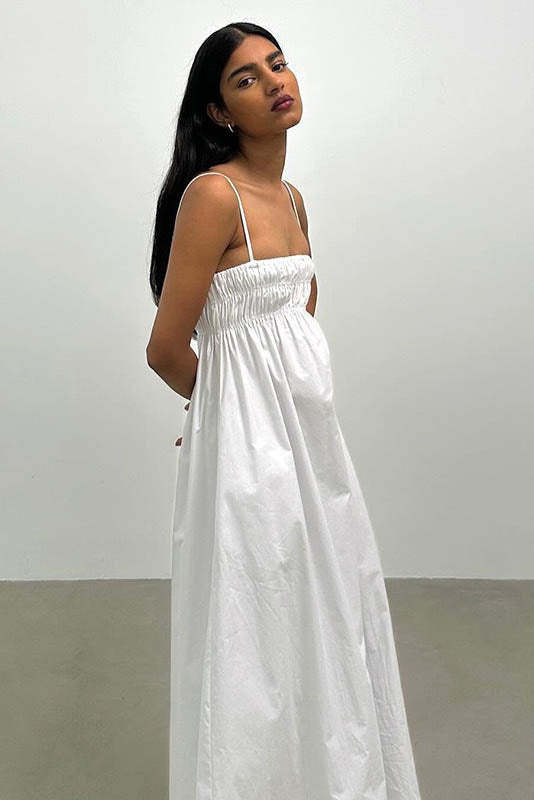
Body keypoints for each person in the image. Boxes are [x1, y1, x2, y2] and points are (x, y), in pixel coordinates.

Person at [146, 21, 422, 800]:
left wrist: (281, 402)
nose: (274, 82)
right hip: (251, 457)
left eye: (277, 64)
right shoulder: (214, 197)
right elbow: (166, 348)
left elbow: (297, 318)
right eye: (246, 78)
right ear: (218, 111)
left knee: (330, 612)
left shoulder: (294, 198)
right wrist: (221, 418)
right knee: (256, 631)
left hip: (314, 446)